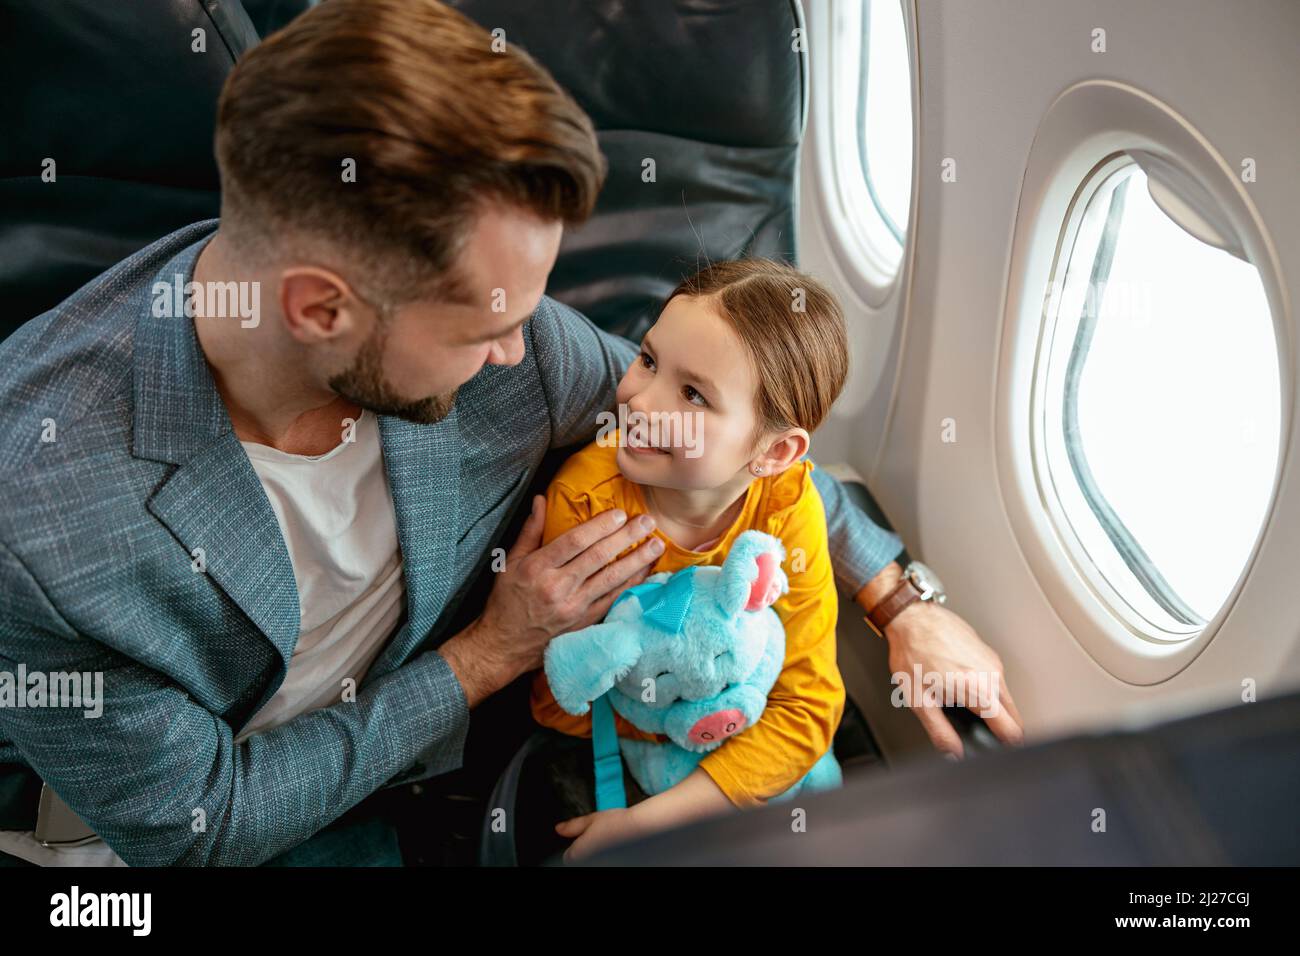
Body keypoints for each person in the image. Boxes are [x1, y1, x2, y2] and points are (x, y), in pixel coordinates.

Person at [0, 0, 1020, 867]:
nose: (522, 349)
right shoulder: (41, 520)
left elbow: (729, 450)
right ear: (321, 310)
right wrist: (488, 654)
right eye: (484, 328)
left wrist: (899, 599)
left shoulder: (524, 349)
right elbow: (204, 817)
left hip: (465, 755)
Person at [530, 259, 856, 858]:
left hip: (750, 740)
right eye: (649, 360)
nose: (639, 401)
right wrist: (680, 720)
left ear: (774, 451)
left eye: (693, 395)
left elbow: (810, 707)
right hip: (639, 745)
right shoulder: (588, 501)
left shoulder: (787, 506)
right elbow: (558, 697)